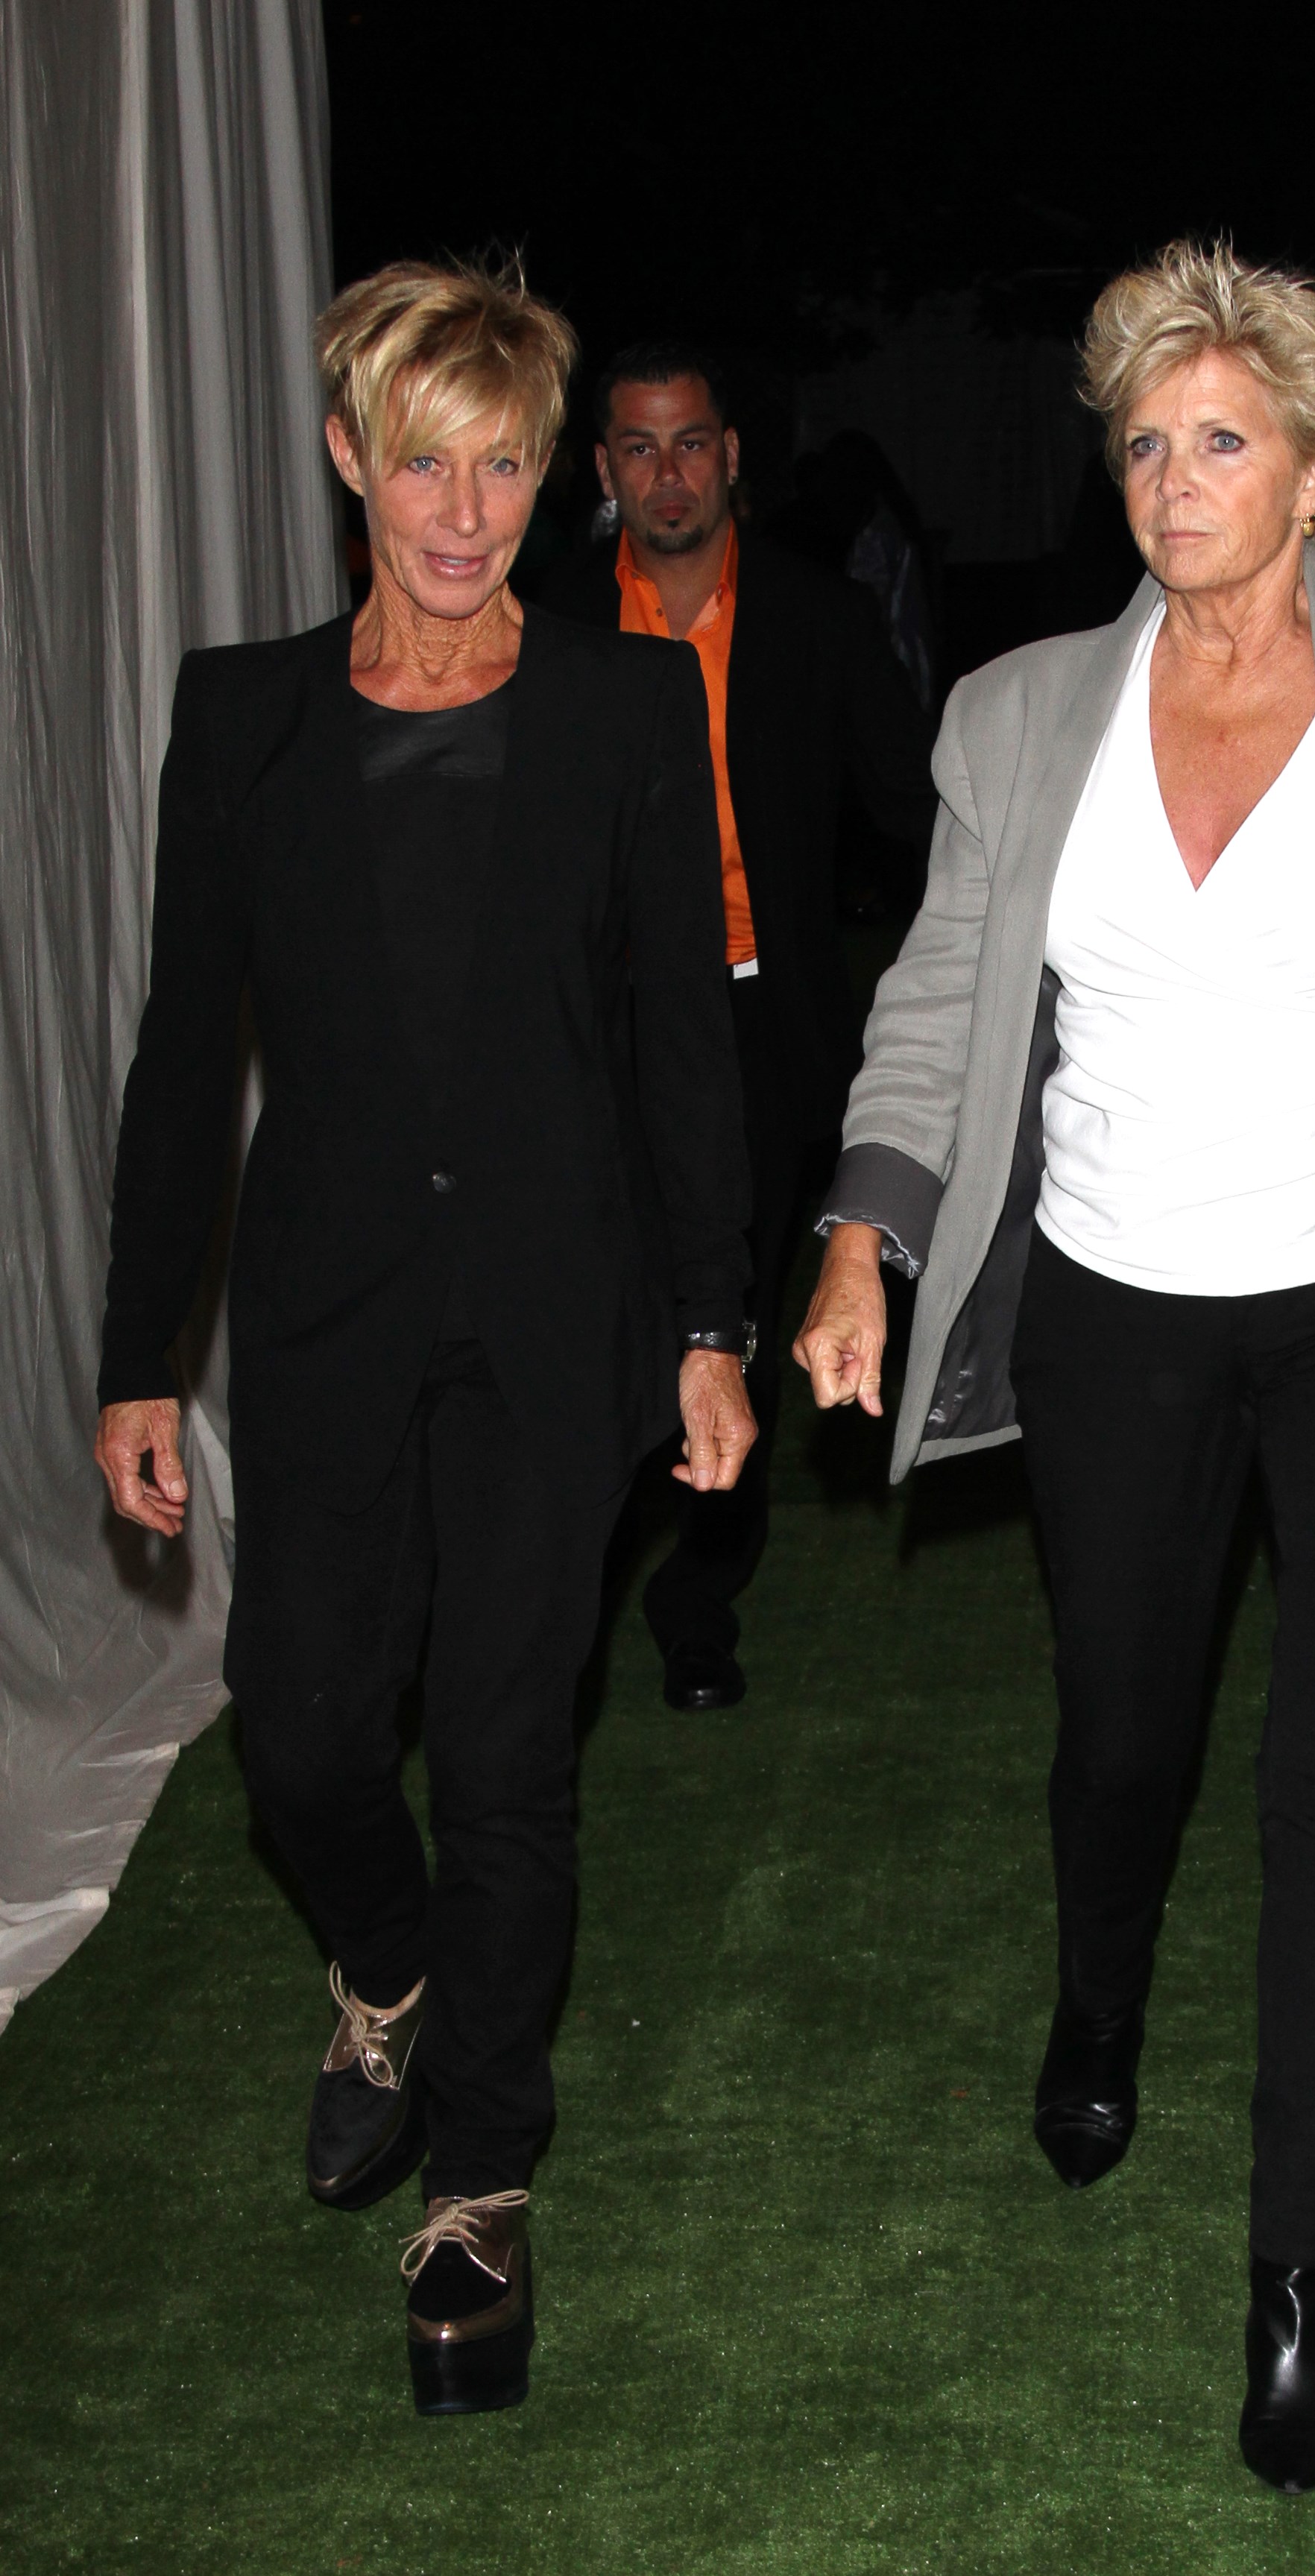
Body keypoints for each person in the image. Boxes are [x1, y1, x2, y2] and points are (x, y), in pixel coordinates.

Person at [793, 240, 1315, 2496]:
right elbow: (941, 1003)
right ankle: (1093, 1989)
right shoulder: (1013, 709)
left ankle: (1288, 2284)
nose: (1171, 480)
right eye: (1143, 443)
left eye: (1220, 441)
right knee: (1122, 1735)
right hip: (1115, 1301)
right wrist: (859, 1233)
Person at [93, 259, 755, 2417]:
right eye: (419, 464)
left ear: (543, 478)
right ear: (345, 459)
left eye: (499, 467)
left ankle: (479, 2176)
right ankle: (380, 1972)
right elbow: (190, 1053)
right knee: (296, 1745)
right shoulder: (244, 716)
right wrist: (131, 1351)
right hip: (324, 1318)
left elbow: (682, 1050)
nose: (460, 514)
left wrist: (708, 1325)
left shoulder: (622, 711)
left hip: (562, 1325)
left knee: (502, 1755)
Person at [542, 344, 936, 1713]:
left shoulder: (815, 621)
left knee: (739, 1315)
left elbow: (918, 806)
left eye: (690, 443)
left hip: (770, 1028)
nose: (666, 472)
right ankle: (563, 1610)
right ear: (602, 470)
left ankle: (699, 1601)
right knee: (597, 1310)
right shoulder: (547, 624)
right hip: (598, 1030)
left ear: (729, 460)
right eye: (637, 448)